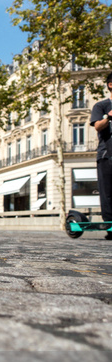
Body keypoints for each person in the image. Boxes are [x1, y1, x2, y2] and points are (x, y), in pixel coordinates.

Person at [90, 71, 112, 240]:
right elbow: (97, 126)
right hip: (107, 153)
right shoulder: (101, 106)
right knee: (107, 191)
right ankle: (110, 226)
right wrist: (109, 116)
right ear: (110, 85)